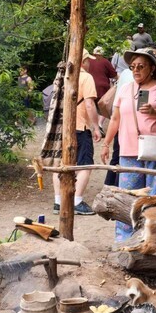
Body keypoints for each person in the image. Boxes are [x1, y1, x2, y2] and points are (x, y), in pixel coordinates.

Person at [100, 47, 156, 242]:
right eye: (132, 66)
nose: (136, 70)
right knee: (128, 199)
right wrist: (106, 143)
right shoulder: (126, 88)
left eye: (141, 66)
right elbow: (115, 118)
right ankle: (124, 242)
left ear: (152, 68)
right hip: (128, 152)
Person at [52, 49, 102, 215]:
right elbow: (89, 104)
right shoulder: (86, 77)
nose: (89, 63)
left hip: (60, 126)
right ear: (82, 61)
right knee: (85, 165)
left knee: (60, 164)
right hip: (80, 127)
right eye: (88, 60)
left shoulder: (61, 76)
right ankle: (77, 200)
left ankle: (58, 201)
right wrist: (96, 127)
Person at [88, 46, 118, 134]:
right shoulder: (105, 61)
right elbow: (114, 75)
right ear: (102, 54)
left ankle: (93, 125)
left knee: (91, 105)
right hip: (102, 87)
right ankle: (100, 124)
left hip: (90, 86)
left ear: (93, 53)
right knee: (104, 105)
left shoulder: (88, 61)